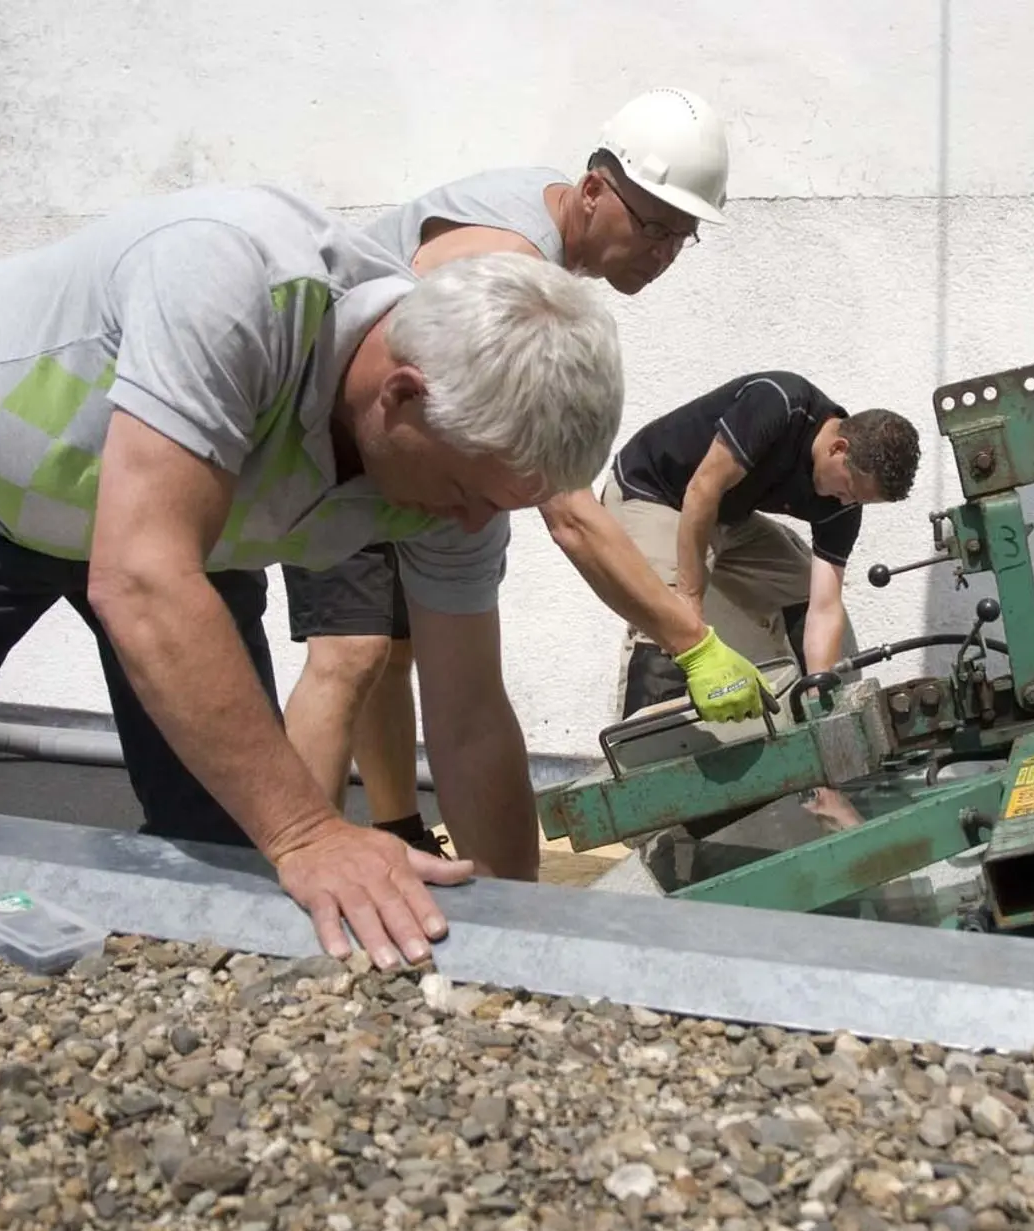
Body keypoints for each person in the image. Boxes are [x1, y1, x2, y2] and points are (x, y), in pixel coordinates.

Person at [0, 182, 631, 970]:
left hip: (182, 537)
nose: (473, 524)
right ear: (400, 396)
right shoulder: (234, 281)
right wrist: (309, 830)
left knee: (227, 838)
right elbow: (138, 581)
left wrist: (519, 937)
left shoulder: (462, 466)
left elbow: (468, 714)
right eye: (468, 494)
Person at [280, 87, 767, 857]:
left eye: (683, 236)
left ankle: (405, 837)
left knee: (433, 670)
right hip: (348, 439)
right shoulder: (506, 262)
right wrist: (692, 640)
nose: (664, 253)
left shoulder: (548, 231)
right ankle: (294, 870)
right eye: (654, 227)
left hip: (428, 451)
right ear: (594, 189)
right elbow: (566, 510)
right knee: (349, 653)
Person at [600, 371, 923, 716]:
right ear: (838, 449)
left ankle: (816, 715)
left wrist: (821, 695)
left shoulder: (845, 501)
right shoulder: (779, 404)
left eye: (859, 500)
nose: (846, 503)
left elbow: (824, 606)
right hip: (652, 493)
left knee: (803, 588)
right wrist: (689, 598)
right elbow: (702, 489)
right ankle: (639, 745)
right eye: (849, 489)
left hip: (724, 516)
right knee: (671, 618)